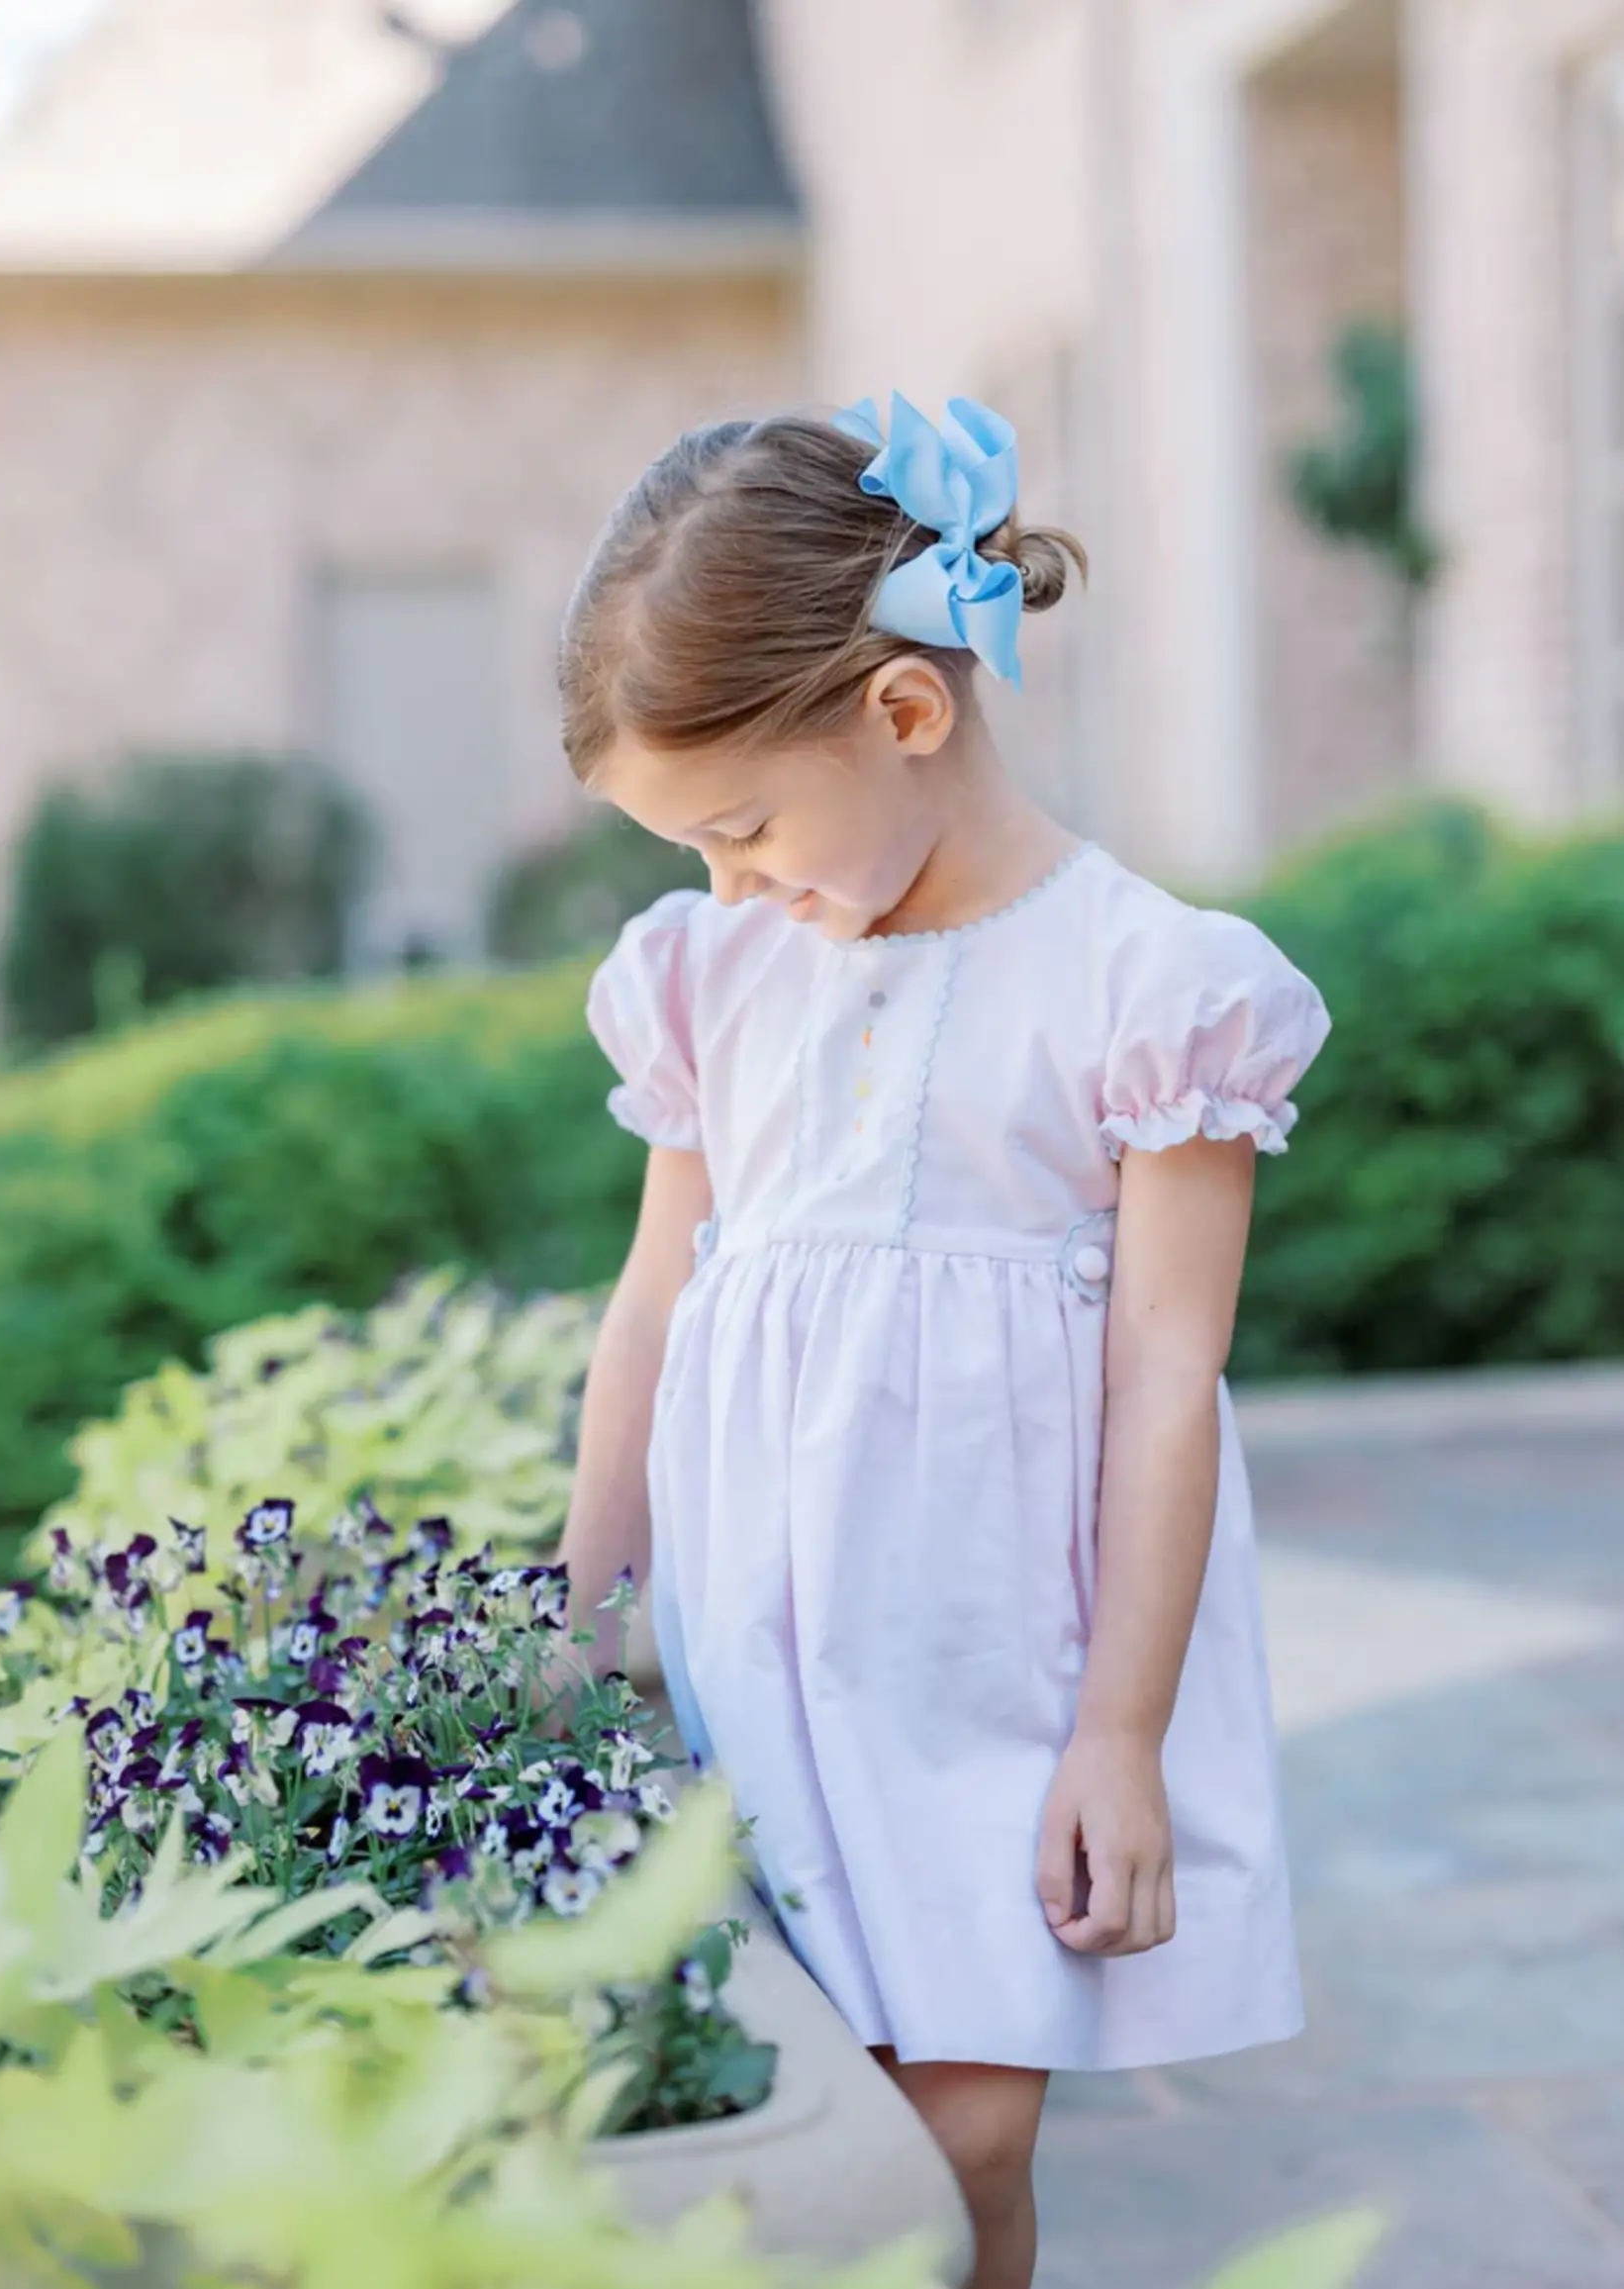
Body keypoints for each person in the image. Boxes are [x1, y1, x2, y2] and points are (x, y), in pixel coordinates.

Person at [554, 392, 1331, 2289]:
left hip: (997, 1660)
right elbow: (654, 1298)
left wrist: (1121, 1740)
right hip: (757, 1653)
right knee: (788, 2118)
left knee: (961, 2140)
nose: (726, 883)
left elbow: (1166, 1379)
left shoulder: (1154, 989)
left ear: (907, 714)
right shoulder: (715, 979)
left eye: (740, 826)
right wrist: (588, 1607)